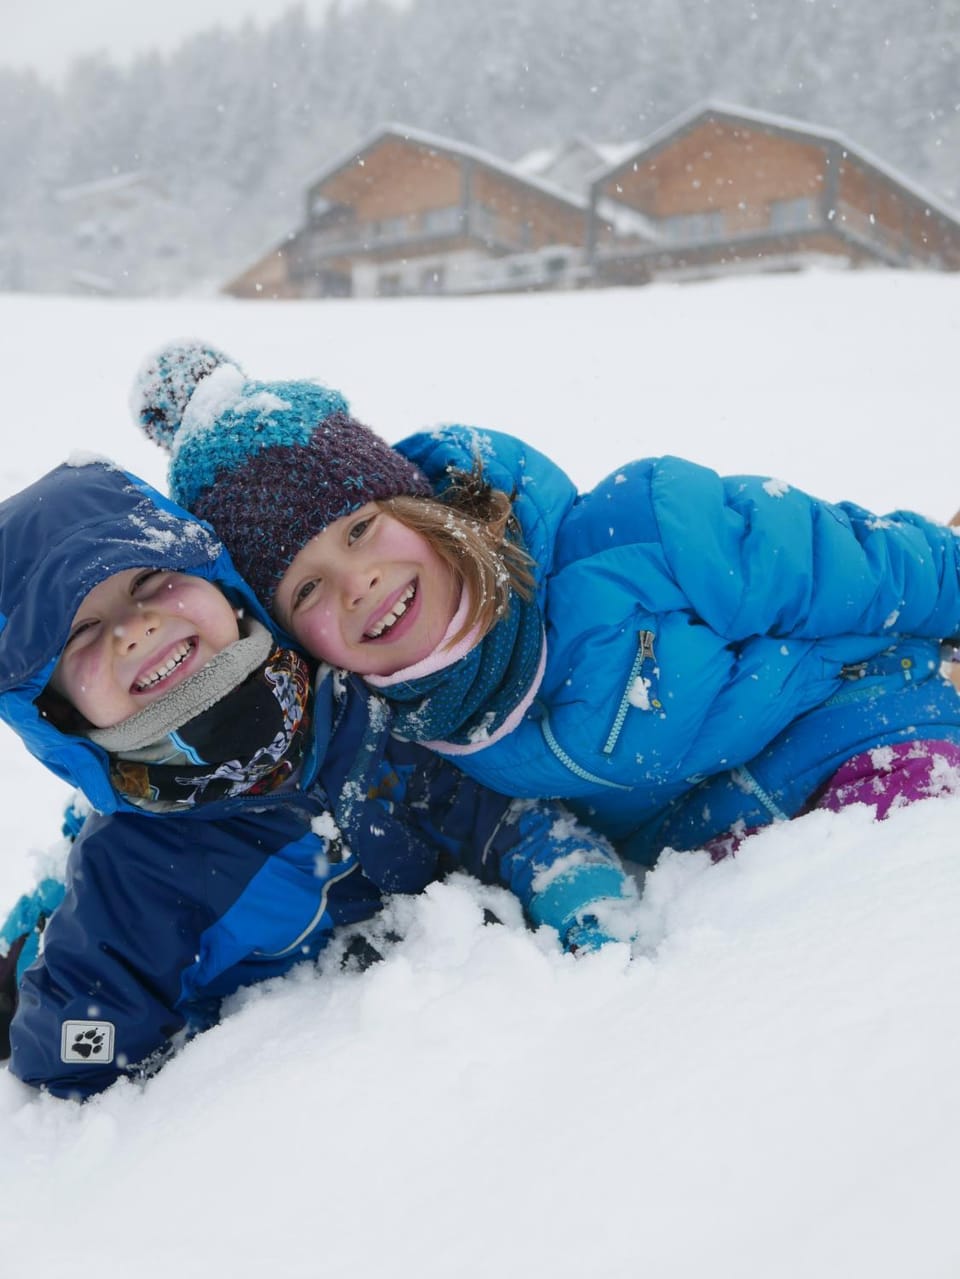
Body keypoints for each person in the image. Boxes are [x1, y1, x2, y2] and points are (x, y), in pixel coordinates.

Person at [130, 341, 960, 868]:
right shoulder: (406, 723)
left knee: (897, 877)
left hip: (871, 724)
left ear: (418, 504)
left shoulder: (640, 536)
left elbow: (860, 566)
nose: (358, 582)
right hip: (731, 849)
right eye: (307, 588)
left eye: (360, 529)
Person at [0, 457, 636, 1099]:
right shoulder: (134, 876)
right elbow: (75, 1058)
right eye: (81, 632)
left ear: (214, 579)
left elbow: (493, 816)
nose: (134, 628)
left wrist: (577, 891)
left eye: (149, 580)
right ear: (54, 708)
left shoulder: (353, 701)